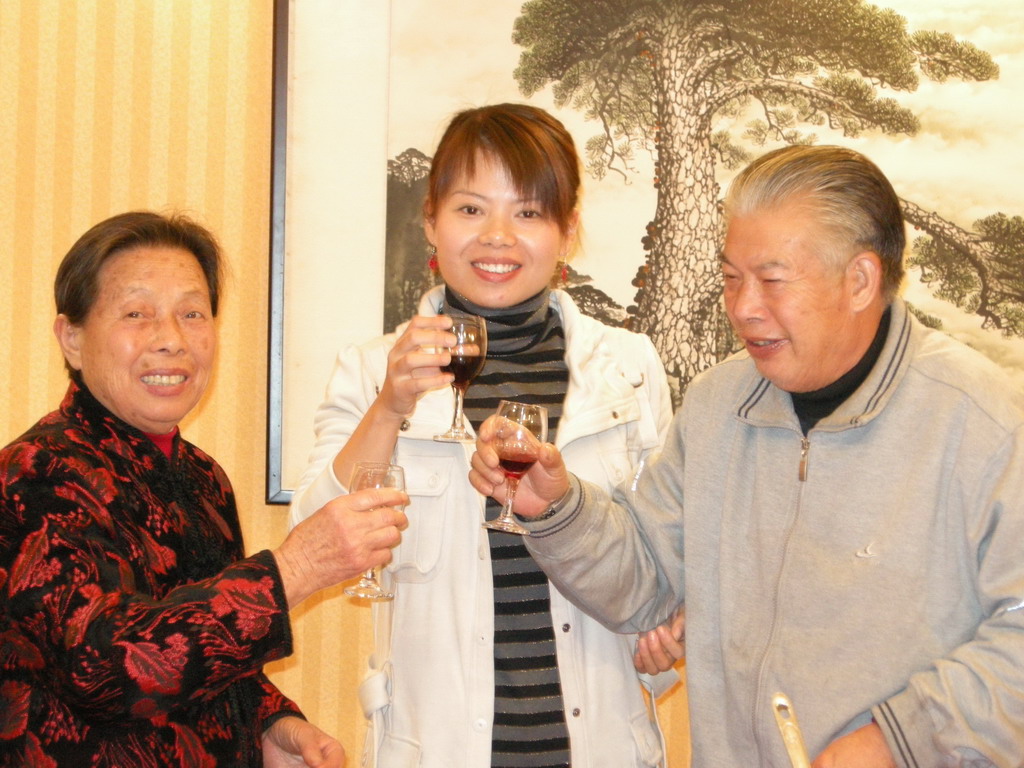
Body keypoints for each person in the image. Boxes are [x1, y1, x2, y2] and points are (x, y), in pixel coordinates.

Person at [470, 145, 1024, 767]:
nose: (743, 307)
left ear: (861, 280)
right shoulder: (718, 407)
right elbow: (645, 582)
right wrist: (558, 508)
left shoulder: (980, 420)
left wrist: (901, 740)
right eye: (732, 278)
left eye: (772, 279)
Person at [289, 103, 684, 768]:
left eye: (528, 212)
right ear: (430, 221)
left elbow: (665, 556)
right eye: (471, 209)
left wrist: (671, 631)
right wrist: (391, 404)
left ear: (567, 230)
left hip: (603, 745)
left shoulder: (629, 367)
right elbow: (314, 541)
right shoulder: (371, 368)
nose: (497, 236)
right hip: (436, 746)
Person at [0, 211, 408, 767]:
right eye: (136, 313)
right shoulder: (36, 472)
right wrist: (294, 569)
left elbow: (212, 656)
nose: (171, 340)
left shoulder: (203, 476)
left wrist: (273, 723)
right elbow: (102, 670)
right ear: (71, 338)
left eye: (192, 313)